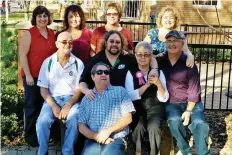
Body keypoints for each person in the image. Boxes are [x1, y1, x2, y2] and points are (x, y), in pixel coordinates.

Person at [158, 30, 210, 155]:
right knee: (174, 121)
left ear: (182, 44)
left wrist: (188, 111)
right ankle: (186, 151)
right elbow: (143, 57)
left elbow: (194, 89)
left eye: (175, 41)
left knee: (199, 123)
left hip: (192, 102)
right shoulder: (160, 61)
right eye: (169, 41)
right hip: (173, 102)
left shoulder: (188, 62)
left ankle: (203, 152)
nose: (172, 44)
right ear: (165, 44)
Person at [36, 32, 84, 155]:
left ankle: (67, 152)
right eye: (64, 42)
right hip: (52, 99)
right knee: (43, 120)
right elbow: (43, 89)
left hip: (71, 99)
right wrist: (53, 105)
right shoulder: (48, 62)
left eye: (70, 42)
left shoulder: (78, 63)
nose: (68, 44)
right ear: (57, 44)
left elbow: (79, 89)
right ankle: (43, 151)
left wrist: (69, 104)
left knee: (74, 119)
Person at [79, 30, 158, 101]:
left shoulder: (128, 58)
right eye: (111, 41)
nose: (114, 44)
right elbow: (83, 81)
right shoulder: (96, 60)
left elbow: (149, 58)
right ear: (106, 43)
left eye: (117, 42)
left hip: (123, 101)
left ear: (121, 44)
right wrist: (86, 91)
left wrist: (154, 69)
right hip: (100, 100)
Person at [19, 6, 57, 147]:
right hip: (33, 77)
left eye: (45, 16)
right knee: (32, 107)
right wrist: (28, 75)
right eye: (39, 16)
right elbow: (22, 55)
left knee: (46, 107)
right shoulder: (30, 34)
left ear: (48, 18)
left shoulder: (53, 33)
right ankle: (31, 138)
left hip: (49, 79)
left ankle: (47, 136)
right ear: (35, 18)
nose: (42, 19)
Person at [78, 62, 135, 155]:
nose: (104, 74)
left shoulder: (120, 91)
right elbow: (81, 126)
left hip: (116, 139)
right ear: (93, 77)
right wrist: (96, 136)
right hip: (93, 140)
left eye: (106, 72)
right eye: (99, 72)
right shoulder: (86, 98)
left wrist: (108, 131)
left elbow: (128, 118)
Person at [125, 41, 169, 155]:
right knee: (138, 127)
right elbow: (129, 95)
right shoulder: (130, 72)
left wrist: (158, 83)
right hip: (137, 106)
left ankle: (153, 152)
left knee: (154, 127)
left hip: (155, 106)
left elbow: (164, 97)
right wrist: (147, 85)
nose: (143, 57)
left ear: (151, 56)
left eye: (146, 54)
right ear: (135, 55)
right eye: (139, 54)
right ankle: (138, 152)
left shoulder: (158, 72)